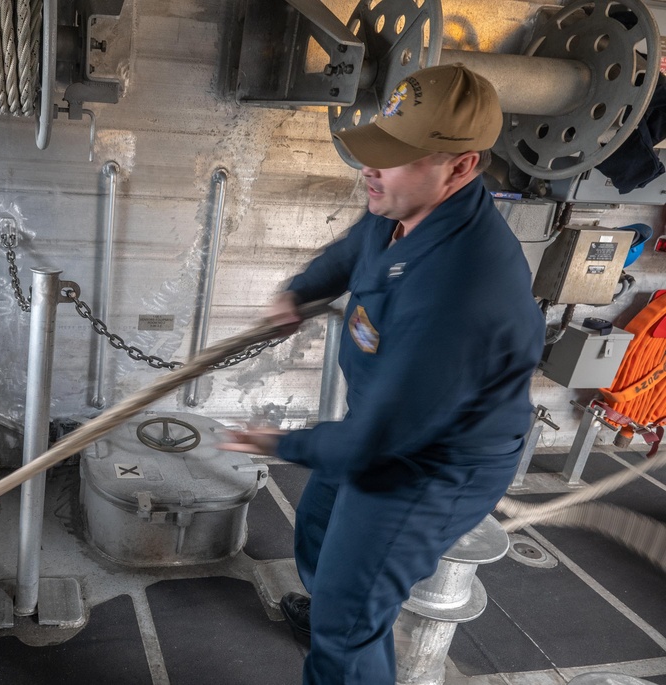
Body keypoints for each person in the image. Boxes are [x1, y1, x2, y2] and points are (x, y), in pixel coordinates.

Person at [220, 64, 545, 684]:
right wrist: (300, 291)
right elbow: (356, 248)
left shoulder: (462, 291)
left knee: (350, 615)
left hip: (428, 465)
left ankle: (344, 636)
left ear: (461, 165)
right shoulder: (403, 204)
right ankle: (333, 609)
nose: (369, 168)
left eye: (394, 157)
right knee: (316, 527)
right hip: (384, 424)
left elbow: (377, 444)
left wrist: (276, 443)